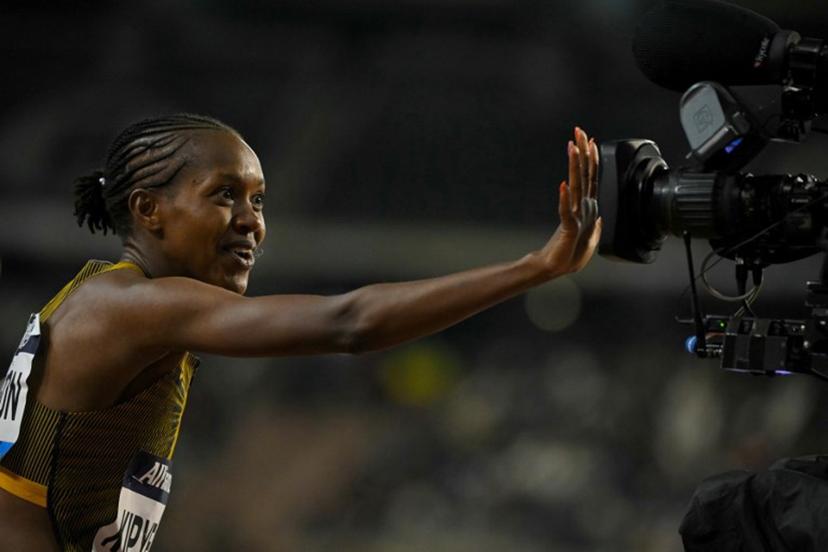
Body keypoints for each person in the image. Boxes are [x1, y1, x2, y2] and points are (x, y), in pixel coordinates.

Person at [0, 113, 601, 551]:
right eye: (225, 195)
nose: (251, 224)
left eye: (259, 200)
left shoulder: (109, 301)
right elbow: (349, 323)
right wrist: (535, 268)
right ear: (148, 209)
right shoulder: (130, 306)